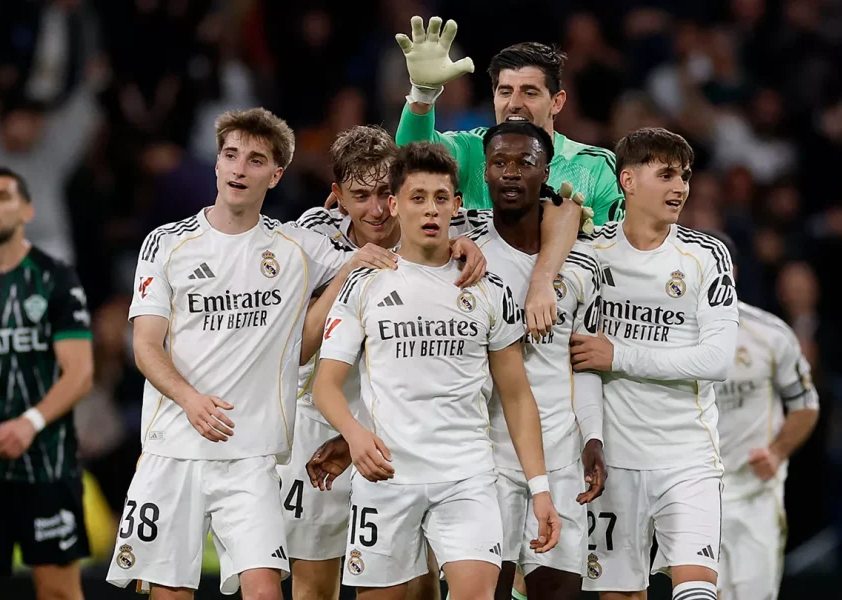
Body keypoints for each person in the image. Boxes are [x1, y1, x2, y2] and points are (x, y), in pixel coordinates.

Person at [104, 108, 387, 600]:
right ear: (216, 164)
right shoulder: (166, 244)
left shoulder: (298, 246)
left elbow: (384, 260)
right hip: (174, 450)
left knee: (264, 591)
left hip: (252, 456)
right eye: (231, 155)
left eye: (255, 160)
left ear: (275, 175)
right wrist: (190, 400)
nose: (239, 169)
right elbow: (146, 347)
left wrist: (464, 249)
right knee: (169, 594)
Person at [313, 142, 561, 600]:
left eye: (441, 198)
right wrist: (354, 434)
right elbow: (324, 385)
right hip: (386, 476)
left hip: (467, 477)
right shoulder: (364, 284)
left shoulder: (488, 287)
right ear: (395, 205)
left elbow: (517, 396)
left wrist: (540, 488)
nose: (430, 209)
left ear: (456, 205)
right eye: (418, 197)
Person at [277, 126, 486, 600]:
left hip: (403, 431)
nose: (375, 210)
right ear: (337, 197)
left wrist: (467, 245)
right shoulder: (311, 236)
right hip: (320, 423)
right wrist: (350, 268)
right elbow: (299, 349)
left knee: (419, 583)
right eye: (359, 196)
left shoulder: (440, 227)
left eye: (383, 193)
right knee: (315, 587)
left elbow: (529, 221)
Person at [568, 128, 739, 600]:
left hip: (688, 458)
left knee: (698, 589)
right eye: (665, 175)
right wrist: (592, 437)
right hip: (614, 462)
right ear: (627, 181)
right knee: (620, 594)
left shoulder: (707, 255)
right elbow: (582, 361)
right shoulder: (588, 253)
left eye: (684, 176)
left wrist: (620, 355)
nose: (680, 187)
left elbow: (717, 359)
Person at [0, 166, 95, 600]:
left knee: (58, 592)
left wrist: (30, 422)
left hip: (45, 464)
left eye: (2, 196)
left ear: (26, 210)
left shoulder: (55, 279)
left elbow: (80, 373)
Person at [467, 120, 607, 600]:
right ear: (484, 173)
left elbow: (582, 362)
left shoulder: (583, 264)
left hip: (562, 457)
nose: (510, 172)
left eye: (524, 163)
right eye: (499, 163)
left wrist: (592, 436)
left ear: (546, 172)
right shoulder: (466, 256)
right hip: (486, 459)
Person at [393, 16, 624, 225]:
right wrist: (423, 93)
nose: (514, 103)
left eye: (529, 92)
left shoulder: (595, 167)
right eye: (505, 91)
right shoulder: (472, 149)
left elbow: (613, 247)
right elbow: (413, 155)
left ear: (557, 102)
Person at [702, 230, 819, 600]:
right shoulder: (666, 337)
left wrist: (778, 452)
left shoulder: (770, 335)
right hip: (695, 492)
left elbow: (806, 405)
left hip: (755, 493)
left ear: (731, 273)